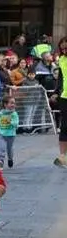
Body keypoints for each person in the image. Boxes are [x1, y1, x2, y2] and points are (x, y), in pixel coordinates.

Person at [54, 36, 67, 168]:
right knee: (64, 126)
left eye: (66, 48)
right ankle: (63, 156)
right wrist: (56, 92)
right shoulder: (62, 59)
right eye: (62, 48)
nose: (64, 50)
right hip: (65, 96)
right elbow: (61, 78)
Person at [0, 95, 19, 168]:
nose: (13, 105)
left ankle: (10, 158)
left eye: (14, 103)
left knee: (9, 149)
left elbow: (16, 124)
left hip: (11, 135)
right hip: (2, 134)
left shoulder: (14, 114)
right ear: (5, 104)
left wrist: (11, 122)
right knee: (2, 148)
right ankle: (1, 162)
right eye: (11, 103)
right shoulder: (1, 113)